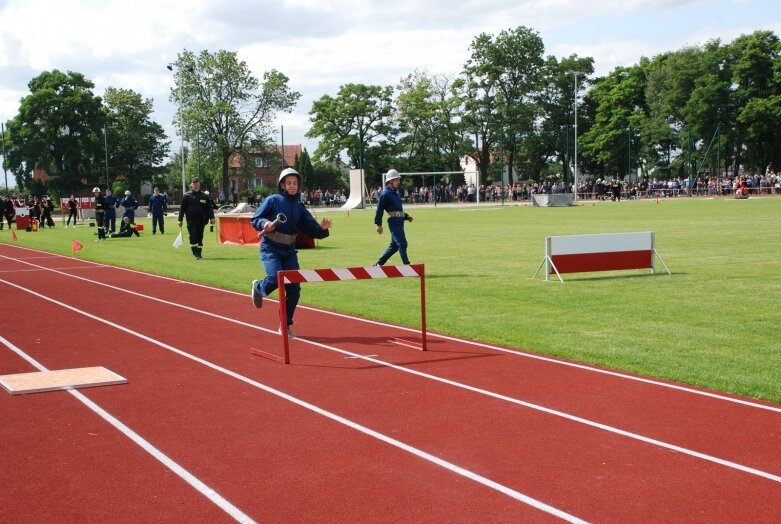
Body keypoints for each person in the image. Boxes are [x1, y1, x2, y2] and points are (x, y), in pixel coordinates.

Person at [249, 167, 332, 337]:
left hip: (289, 251)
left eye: (295, 183)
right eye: (289, 183)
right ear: (282, 185)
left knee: (294, 289)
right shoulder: (273, 200)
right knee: (274, 278)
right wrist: (264, 223)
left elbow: (311, 228)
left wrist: (321, 229)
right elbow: (255, 219)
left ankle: (285, 325)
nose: (292, 186)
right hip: (270, 248)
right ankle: (259, 287)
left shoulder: (300, 208)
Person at [373, 168, 413, 266]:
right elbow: (379, 209)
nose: (399, 182)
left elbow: (398, 210)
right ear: (391, 181)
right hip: (394, 222)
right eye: (397, 180)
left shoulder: (396, 193)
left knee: (394, 246)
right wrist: (378, 224)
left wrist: (406, 216)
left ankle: (379, 264)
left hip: (399, 221)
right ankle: (407, 266)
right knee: (402, 243)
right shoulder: (385, 194)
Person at [177, 178, 215, 260]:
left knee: (200, 236)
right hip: (190, 219)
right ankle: (195, 253)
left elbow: (209, 208)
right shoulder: (186, 195)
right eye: (194, 184)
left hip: (201, 219)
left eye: (197, 183)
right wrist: (180, 219)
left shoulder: (204, 196)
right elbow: (182, 208)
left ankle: (199, 253)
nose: (195, 185)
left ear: (199, 184)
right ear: (191, 185)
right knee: (193, 235)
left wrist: (212, 217)